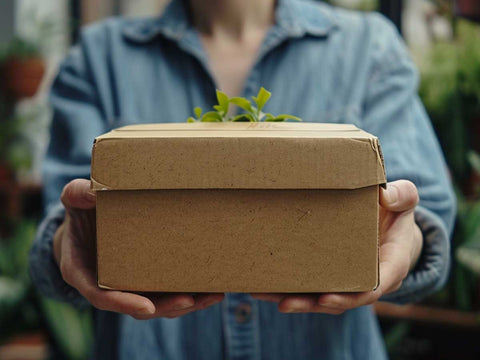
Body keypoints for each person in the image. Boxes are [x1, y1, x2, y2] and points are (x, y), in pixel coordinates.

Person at [29, 0, 456, 358]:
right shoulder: (100, 56)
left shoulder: (368, 46)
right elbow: (64, 214)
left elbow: (423, 210)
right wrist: (69, 241)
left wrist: (409, 236)